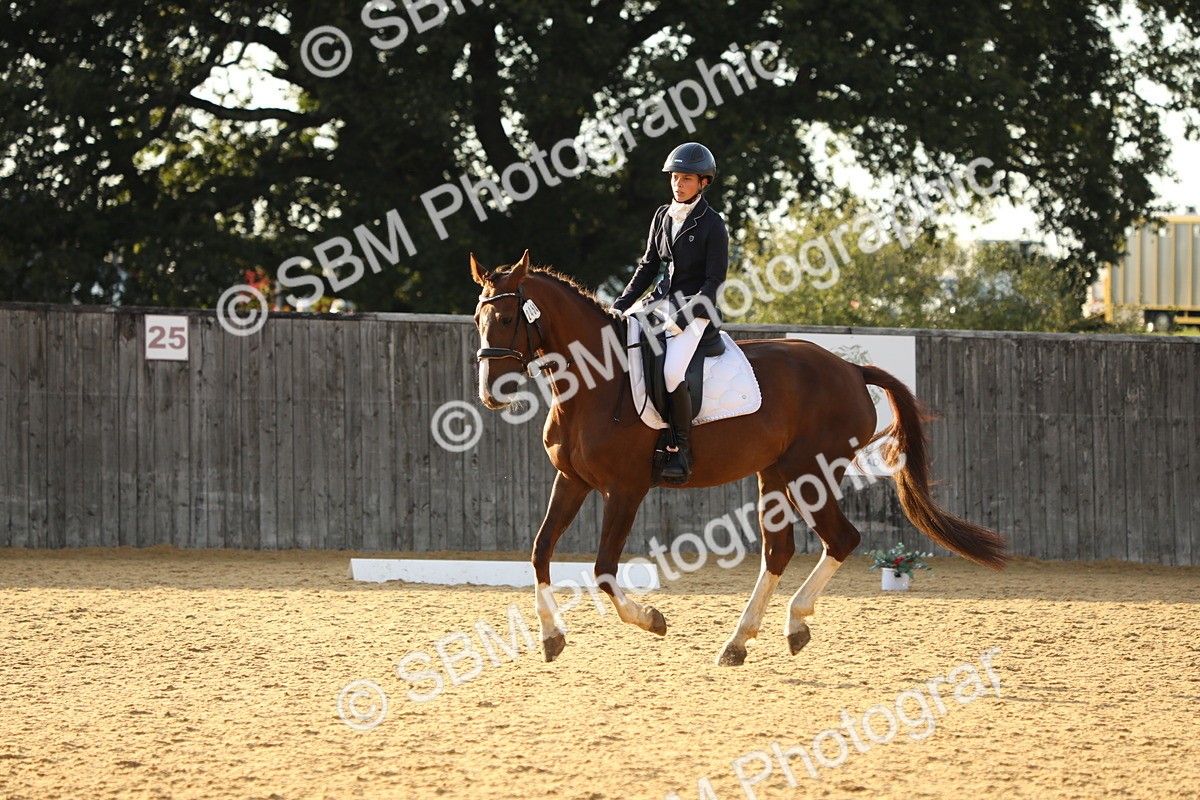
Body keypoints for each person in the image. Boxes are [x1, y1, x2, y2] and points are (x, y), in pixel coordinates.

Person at [611, 142, 730, 483]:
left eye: (687, 179)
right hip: (660, 303)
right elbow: (648, 266)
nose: (678, 184)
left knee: (672, 372)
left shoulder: (712, 224)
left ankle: (680, 448)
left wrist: (685, 317)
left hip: (696, 308)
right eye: (675, 178)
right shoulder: (663, 216)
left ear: (704, 182)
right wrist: (621, 305)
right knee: (624, 345)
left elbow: (714, 281)